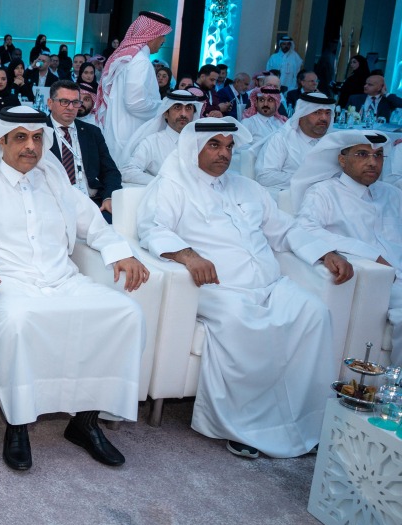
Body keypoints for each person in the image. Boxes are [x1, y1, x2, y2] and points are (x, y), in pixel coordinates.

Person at [0, 106, 150, 471]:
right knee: (18, 321)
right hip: (10, 285)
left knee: (127, 313)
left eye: (37, 138)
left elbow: (95, 227)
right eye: (21, 138)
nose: (30, 146)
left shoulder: (57, 185)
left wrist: (119, 253)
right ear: (2, 142)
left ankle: (85, 421)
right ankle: (17, 424)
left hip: (63, 280)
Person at [138, 118, 350, 459]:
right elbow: (152, 228)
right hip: (218, 289)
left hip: (269, 284)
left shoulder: (248, 188)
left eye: (229, 147)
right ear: (195, 147)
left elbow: (285, 229)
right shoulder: (172, 185)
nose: (224, 153)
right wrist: (188, 256)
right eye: (215, 145)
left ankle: (305, 423)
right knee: (243, 322)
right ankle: (242, 428)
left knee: (315, 313)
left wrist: (324, 251)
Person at [292, 130, 401, 352]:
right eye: (362, 154)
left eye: (378, 155)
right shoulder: (324, 192)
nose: (372, 162)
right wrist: (369, 253)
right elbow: (304, 228)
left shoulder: (392, 194)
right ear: (342, 160)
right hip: (381, 282)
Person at [95, 11, 172, 165]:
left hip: (121, 132)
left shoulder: (128, 58)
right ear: (152, 34)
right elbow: (135, 103)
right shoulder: (140, 61)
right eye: (162, 35)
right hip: (130, 134)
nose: (163, 40)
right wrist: (163, 107)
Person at [46, 81, 123, 216]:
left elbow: (111, 171)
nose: (70, 107)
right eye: (64, 101)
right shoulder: (38, 132)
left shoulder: (91, 132)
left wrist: (109, 197)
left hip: (93, 203)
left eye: (75, 102)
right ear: (50, 103)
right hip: (54, 205)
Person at [120, 89, 202, 186]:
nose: (183, 114)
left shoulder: (201, 143)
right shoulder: (152, 142)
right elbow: (127, 171)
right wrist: (163, 183)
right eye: (177, 107)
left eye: (188, 108)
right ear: (166, 113)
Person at [254, 92, 335, 190]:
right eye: (317, 112)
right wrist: (308, 180)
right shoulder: (281, 139)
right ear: (301, 115)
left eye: (328, 113)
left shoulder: (332, 142)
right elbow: (264, 176)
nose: (324, 118)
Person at [240, 80, 287, 148]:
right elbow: (240, 149)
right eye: (261, 100)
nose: (265, 104)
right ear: (256, 103)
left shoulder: (282, 123)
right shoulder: (248, 123)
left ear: (276, 103)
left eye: (270, 100)